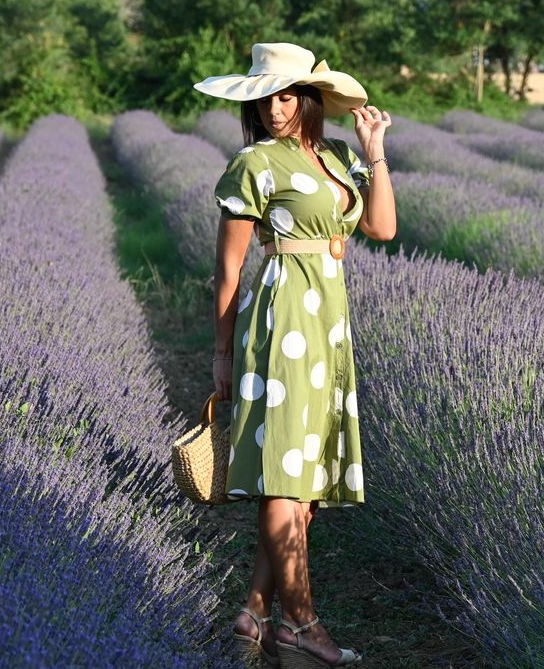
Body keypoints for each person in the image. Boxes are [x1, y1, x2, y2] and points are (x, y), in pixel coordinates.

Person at [194, 42, 395, 668]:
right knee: (286, 475)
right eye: (266, 97)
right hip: (282, 322)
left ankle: (254, 611)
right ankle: (303, 623)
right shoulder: (254, 163)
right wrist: (223, 358)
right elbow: (228, 273)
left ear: (309, 99)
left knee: (302, 486)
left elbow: (382, 228)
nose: (276, 108)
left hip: (329, 325)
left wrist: (374, 152)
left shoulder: (335, 157)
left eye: (287, 95)